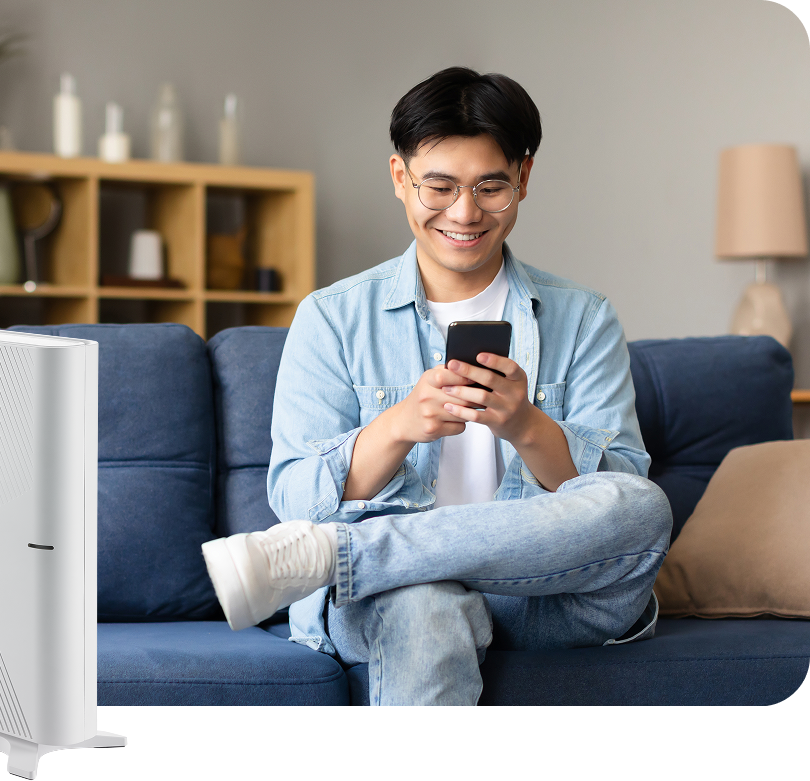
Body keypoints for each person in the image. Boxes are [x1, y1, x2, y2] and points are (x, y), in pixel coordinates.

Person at [202, 66, 672, 705]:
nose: (465, 212)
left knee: (641, 506)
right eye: (440, 186)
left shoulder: (582, 316)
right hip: (398, 598)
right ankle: (365, 562)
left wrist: (527, 427)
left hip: (549, 597)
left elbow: (616, 496)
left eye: (490, 187)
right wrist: (397, 427)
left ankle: (337, 554)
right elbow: (294, 497)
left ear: (524, 179)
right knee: (426, 608)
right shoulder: (333, 316)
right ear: (400, 178)